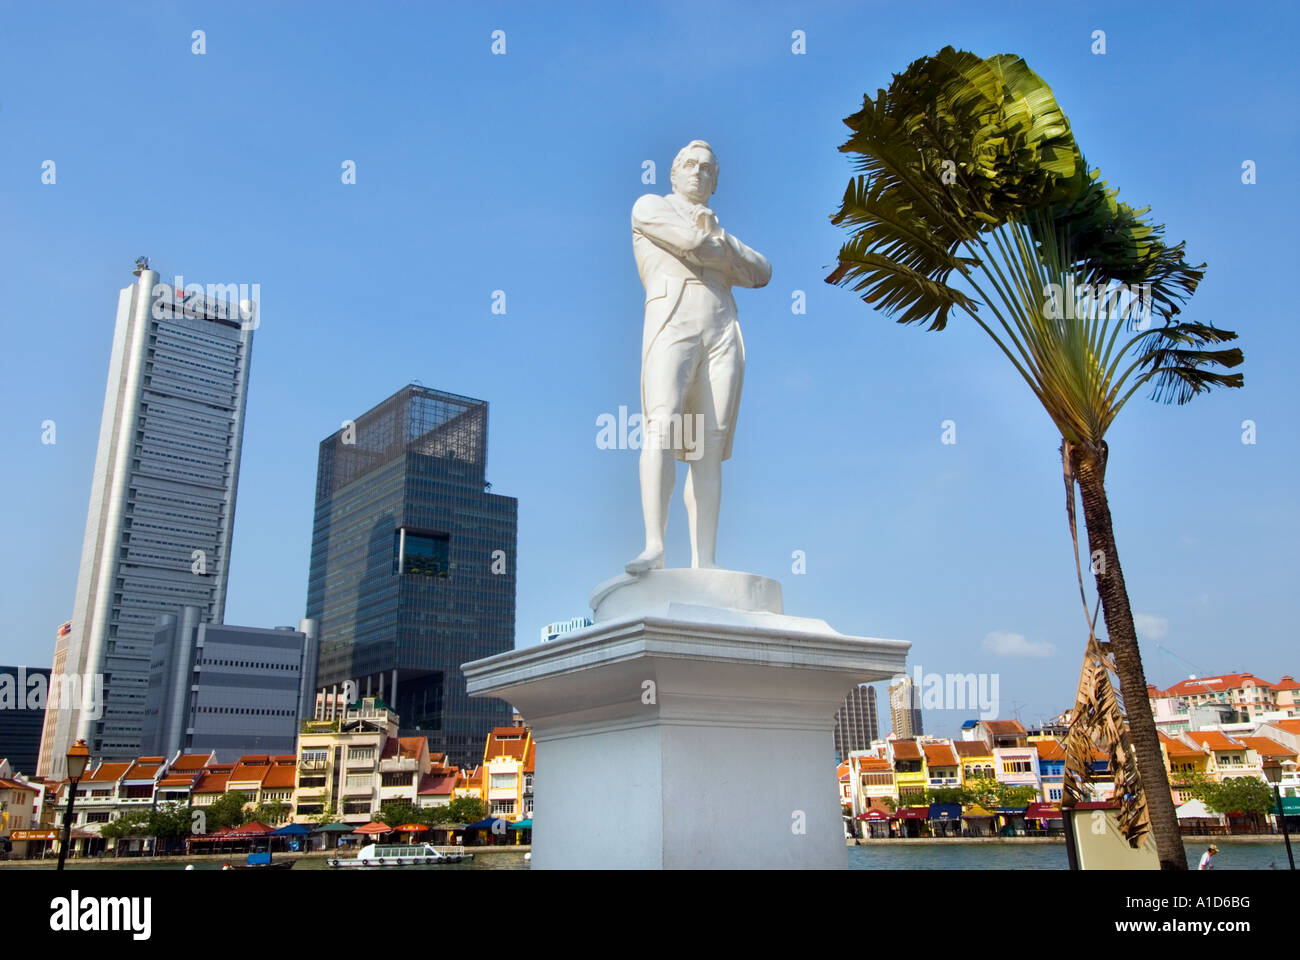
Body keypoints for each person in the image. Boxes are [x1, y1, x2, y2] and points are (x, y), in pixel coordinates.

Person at [626, 140, 772, 574]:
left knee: (706, 446)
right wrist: (722, 253)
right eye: (689, 165)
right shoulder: (650, 205)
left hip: (723, 328)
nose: (698, 173)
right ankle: (654, 545)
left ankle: (704, 561)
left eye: (707, 169)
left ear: (715, 181)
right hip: (673, 319)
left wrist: (720, 242)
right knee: (661, 428)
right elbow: (693, 243)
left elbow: (761, 272)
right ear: (673, 174)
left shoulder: (718, 229)